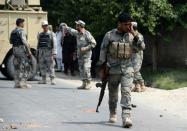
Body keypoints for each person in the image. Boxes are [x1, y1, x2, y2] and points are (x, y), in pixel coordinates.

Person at [99, 12, 145, 128]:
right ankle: (113, 112)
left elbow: (142, 47)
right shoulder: (109, 35)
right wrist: (102, 69)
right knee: (113, 94)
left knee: (126, 92)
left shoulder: (132, 36)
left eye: (130, 24)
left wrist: (134, 34)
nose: (128, 27)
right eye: (126, 24)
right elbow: (103, 51)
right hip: (113, 70)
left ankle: (126, 117)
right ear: (119, 24)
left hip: (127, 69)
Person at [64, 20, 96, 90]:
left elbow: (93, 43)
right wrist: (67, 27)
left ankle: (89, 83)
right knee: (81, 69)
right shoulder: (77, 33)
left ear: (80, 26)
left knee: (86, 68)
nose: (76, 26)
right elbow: (71, 30)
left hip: (86, 55)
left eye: (77, 25)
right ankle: (84, 83)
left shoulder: (87, 34)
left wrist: (86, 48)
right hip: (80, 55)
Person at [10, 18, 32, 89]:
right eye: (23, 23)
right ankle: (23, 84)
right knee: (26, 66)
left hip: (15, 50)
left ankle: (16, 84)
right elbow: (24, 41)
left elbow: (10, 41)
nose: (24, 24)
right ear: (20, 23)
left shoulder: (13, 31)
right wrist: (29, 51)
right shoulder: (22, 31)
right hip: (21, 50)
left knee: (16, 67)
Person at [37, 21, 57, 85]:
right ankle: (43, 79)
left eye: (46, 25)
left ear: (47, 26)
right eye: (44, 25)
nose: (45, 27)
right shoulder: (40, 34)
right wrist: (38, 52)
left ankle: (52, 79)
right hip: (41, 52)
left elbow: (55, 44)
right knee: (42, 66)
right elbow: (38, 44)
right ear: (42, 26)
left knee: (51, 66)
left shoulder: (51, 34)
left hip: (49, 52)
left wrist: (54, 53)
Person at [131, 22, 146, 92]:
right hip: (131, 54)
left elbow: (141, 45)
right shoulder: (129, 35)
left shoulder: (139, 35)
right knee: (132, 71)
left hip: (137, 54)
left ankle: (142, 85)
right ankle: (137, 86)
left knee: (135, 71)